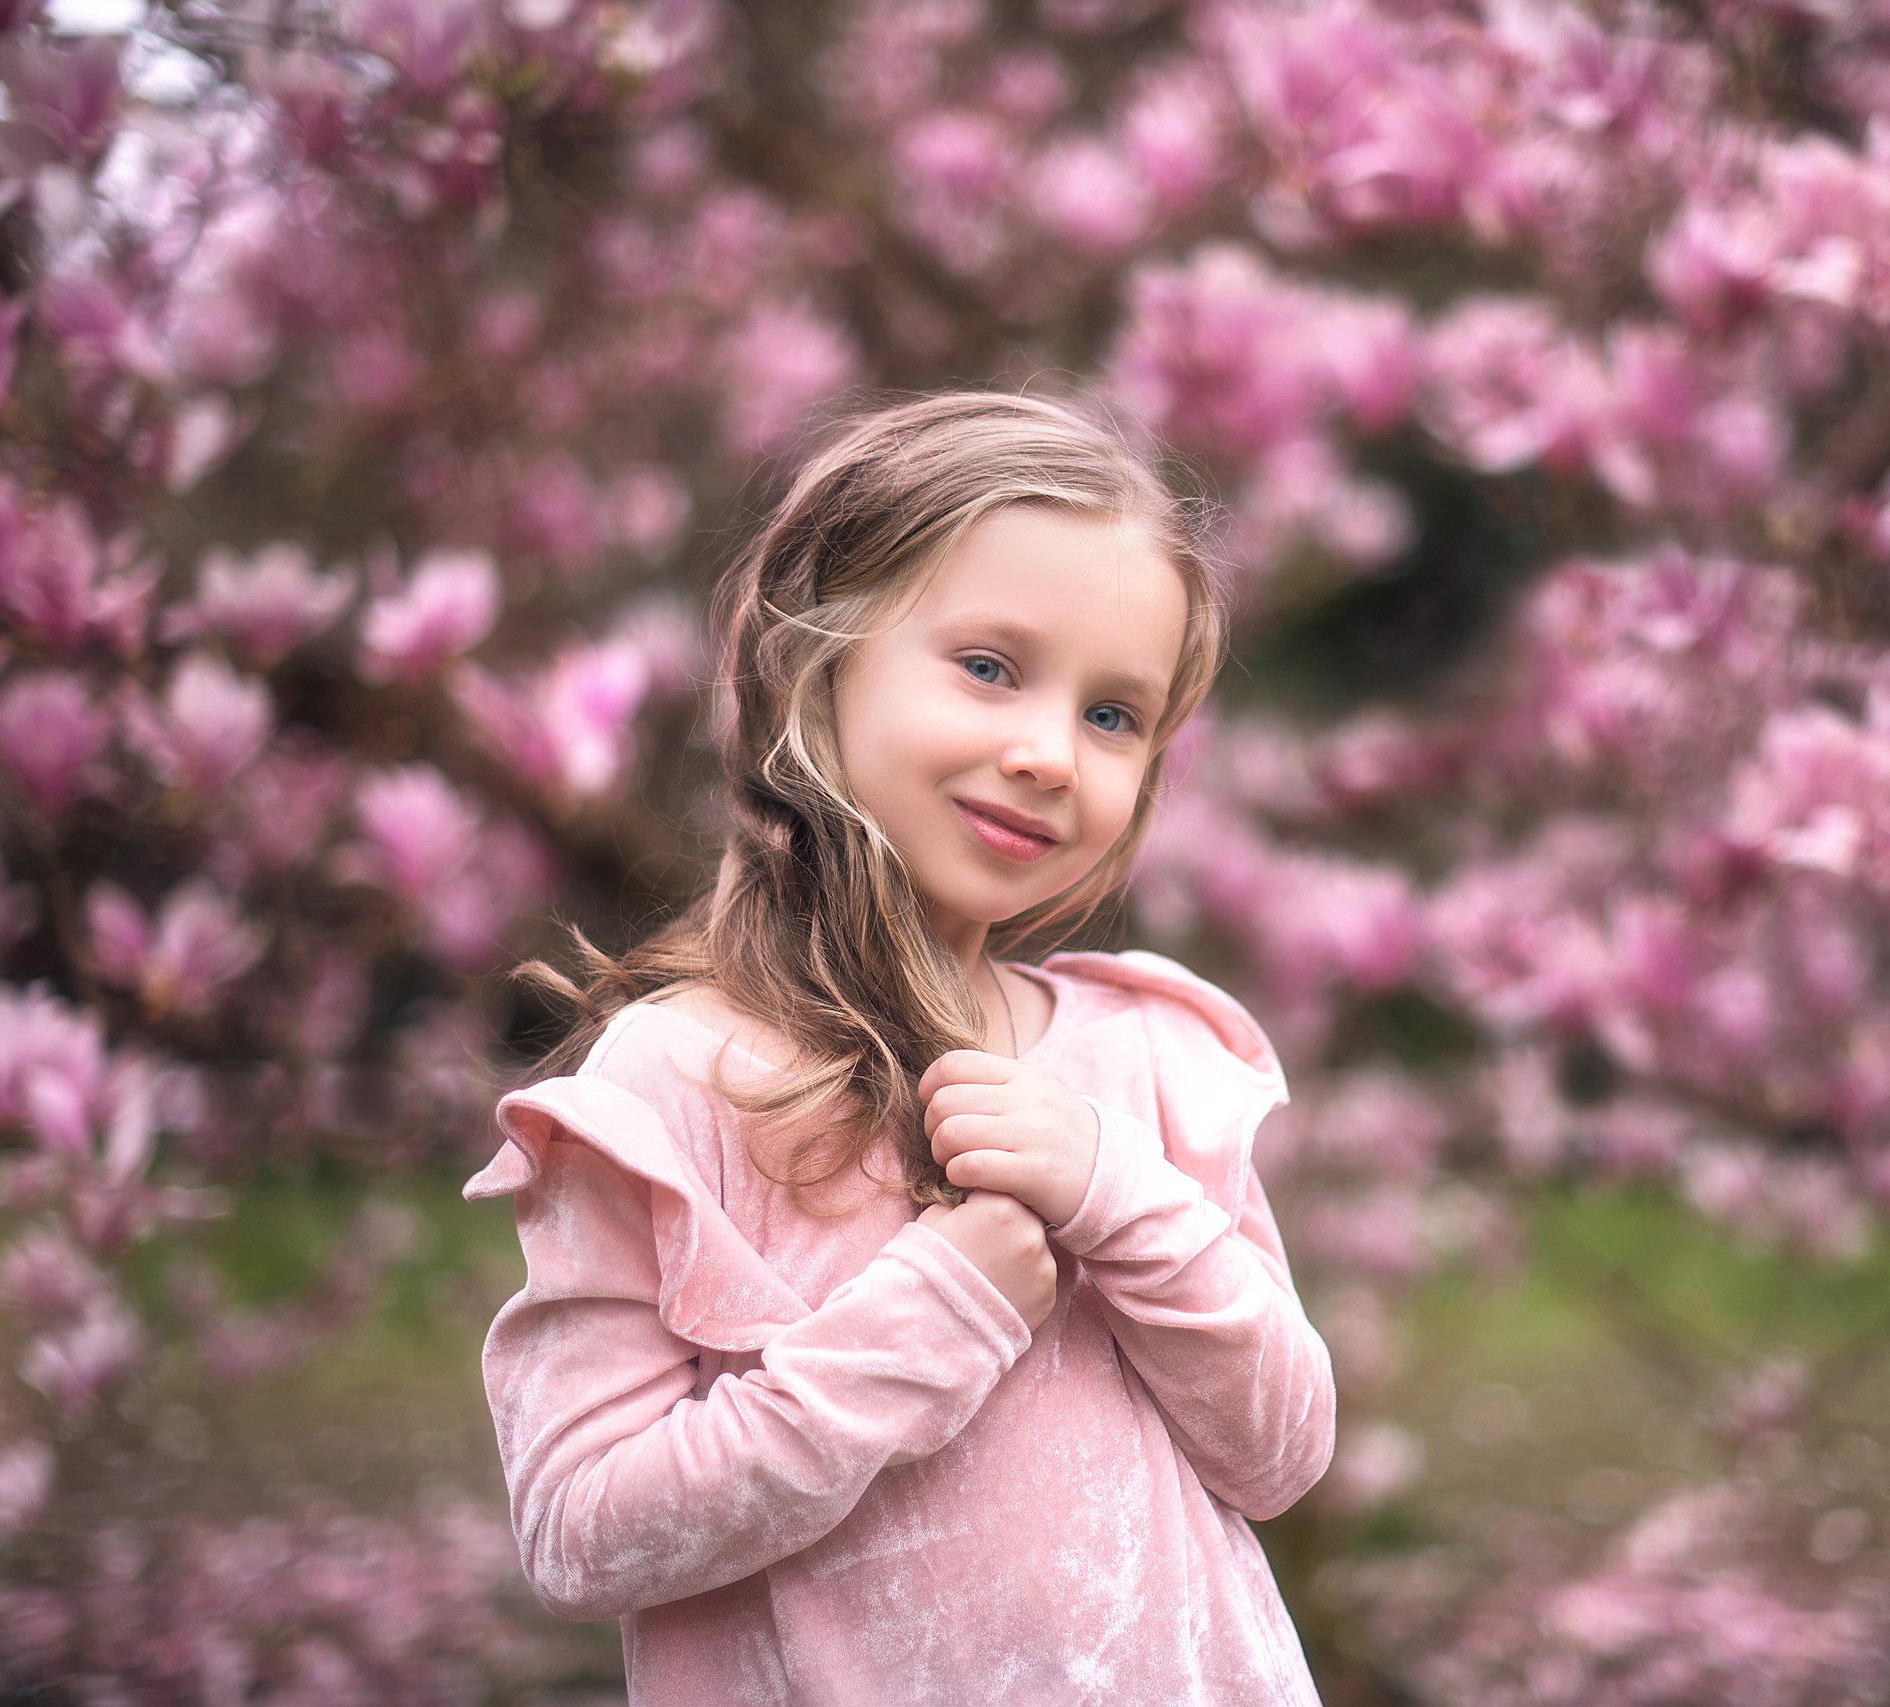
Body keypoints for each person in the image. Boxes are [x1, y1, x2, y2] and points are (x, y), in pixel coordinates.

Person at [466, 391, 1336, 1705]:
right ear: (812, 663)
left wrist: (1116, 1195)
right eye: (989, 668)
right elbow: (582, 1531)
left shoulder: (1149, 1056)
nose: (1049, 753)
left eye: (1115, 716)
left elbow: (1280, 1451)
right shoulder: (673, 1081)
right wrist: (930, 1317)